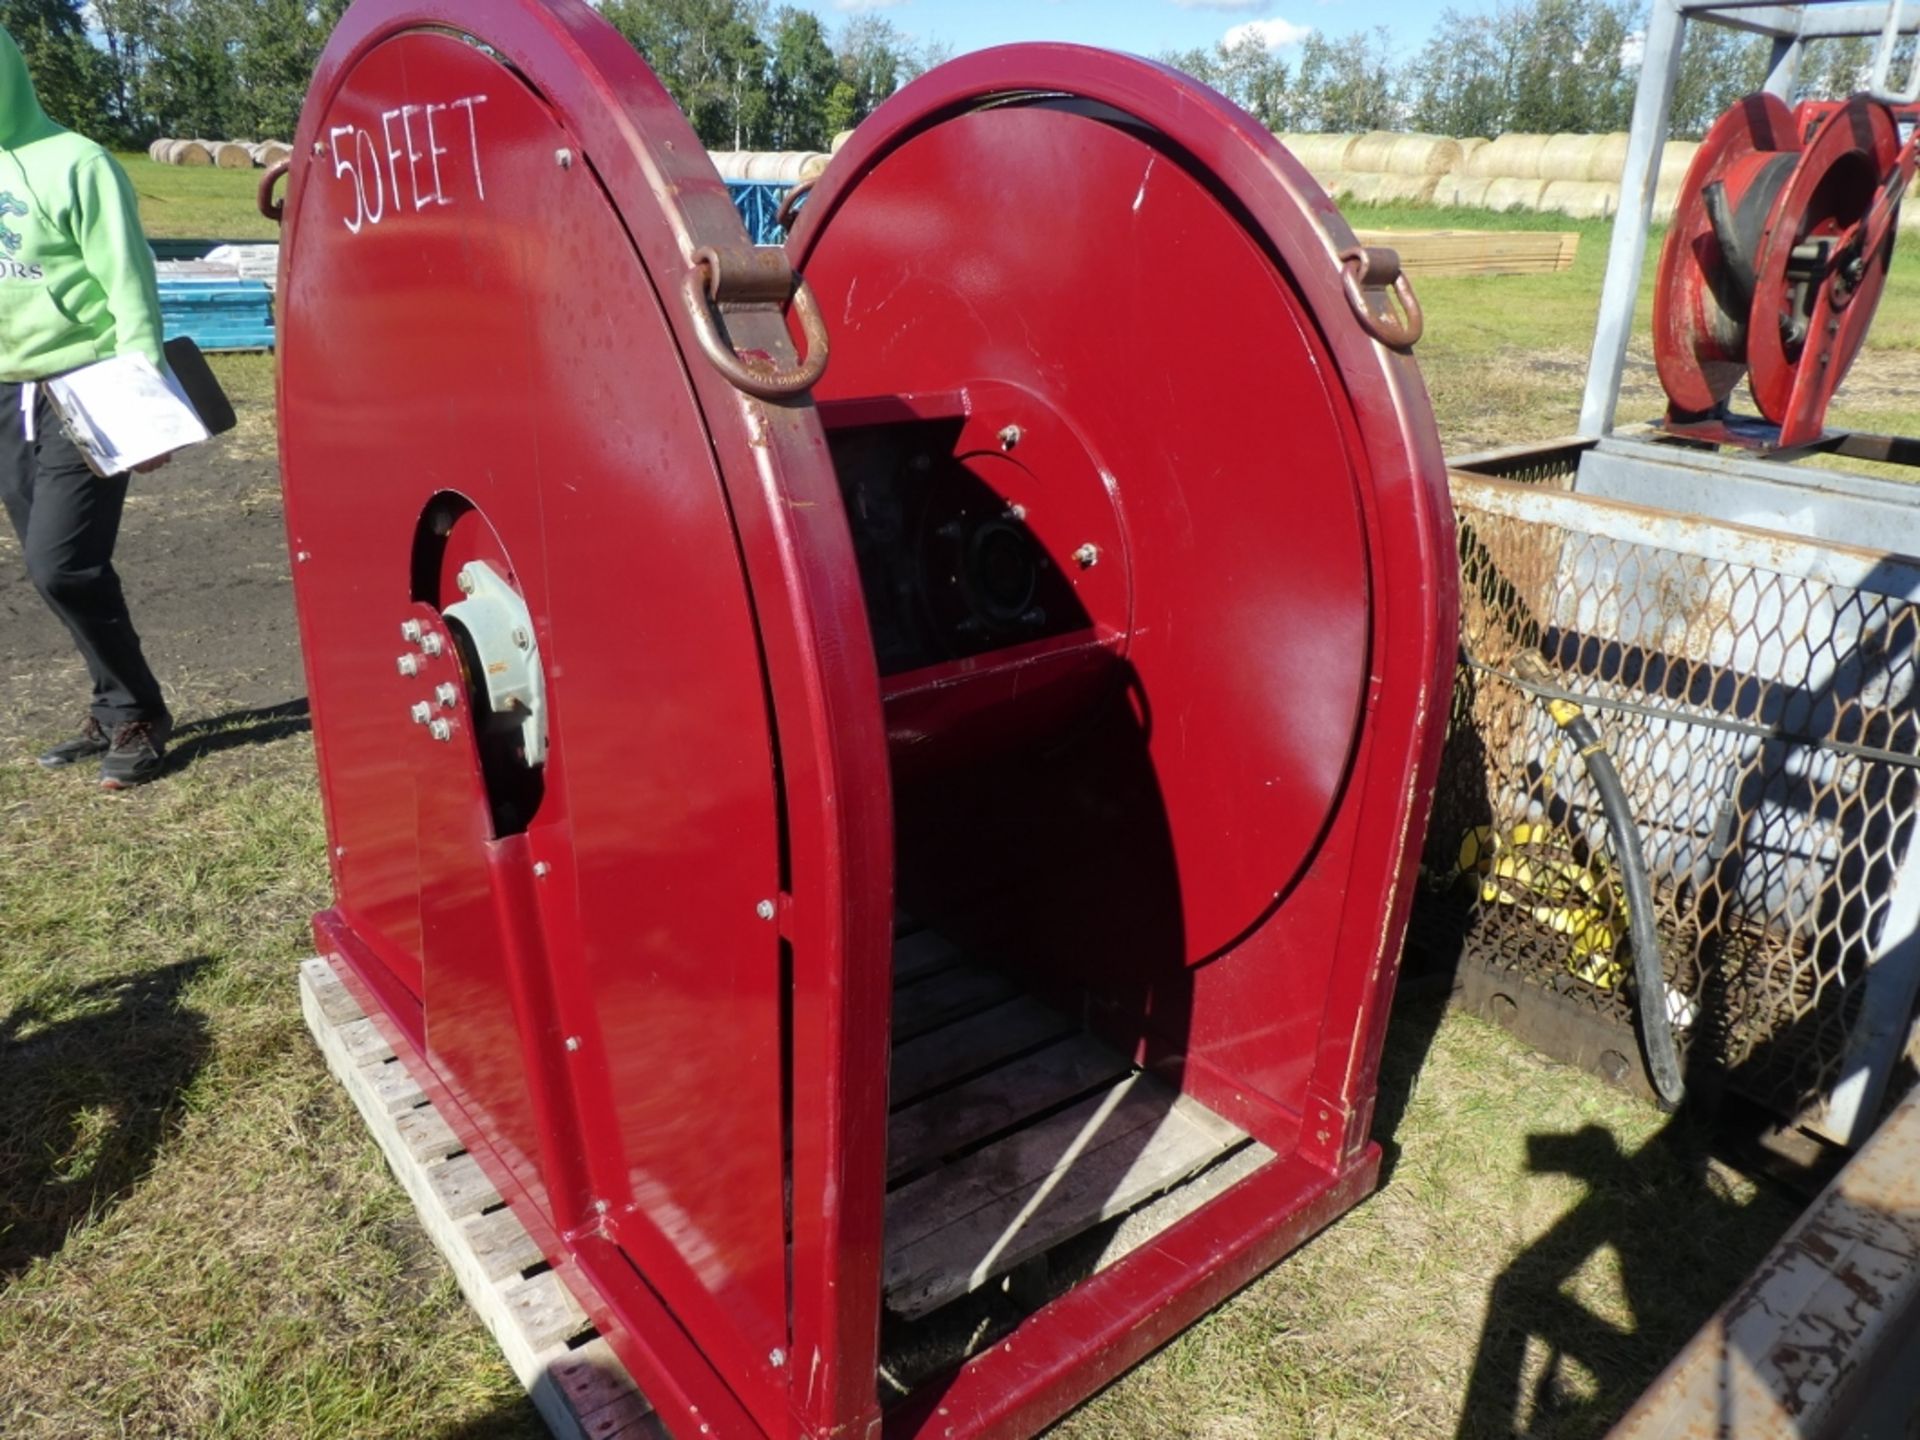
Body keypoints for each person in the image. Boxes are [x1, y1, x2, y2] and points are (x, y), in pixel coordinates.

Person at [0, 24, 174, 788]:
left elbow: (130, 285)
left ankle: (138, 711)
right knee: (57, 568)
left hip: (86, 387)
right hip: (7, 393)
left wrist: (148, 405)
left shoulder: (79, 163)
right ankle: (113, 703)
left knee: (60, 563)